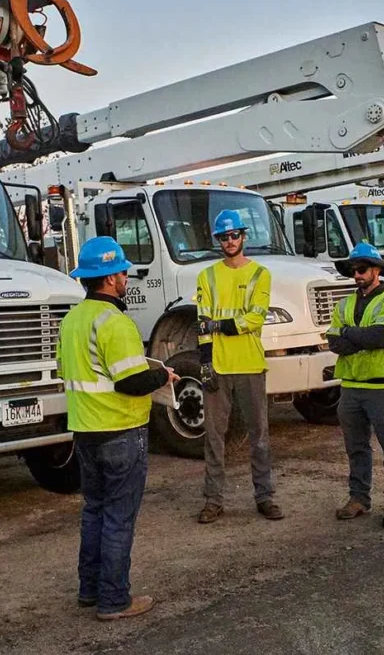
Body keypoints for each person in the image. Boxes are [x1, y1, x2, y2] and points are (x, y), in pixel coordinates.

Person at [58, 236, 178, 621]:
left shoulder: (72, 321)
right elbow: (129, 381)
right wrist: (161, 374)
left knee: (94, 510)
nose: (127, 277)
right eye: (123, 271)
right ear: (110, 278)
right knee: (118, 518)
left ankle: (89, 590)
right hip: (121, 431)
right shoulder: (117, 322)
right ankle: (114, 600)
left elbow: (70, 372)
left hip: (85, 431)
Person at [195, 209, 283, 524]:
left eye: (234, 235)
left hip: (250, 366)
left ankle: (265, 497)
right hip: (218, 366)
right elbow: (202, 324)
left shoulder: (260, 274)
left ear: (243, 236)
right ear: (218, 240)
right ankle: (213, 501)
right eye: (224, 237)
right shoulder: (206, 276)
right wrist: (205, 363)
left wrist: (220, 324)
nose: (230, 241)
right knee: (214, 437)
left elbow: (255, 318)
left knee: (259, 436)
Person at [326, 242, 384, 527]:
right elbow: (334, 342)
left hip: (381, 386)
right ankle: (359, 498)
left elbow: (382, 336)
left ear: (376, 270)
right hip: (350, 387)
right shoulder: (345, 303)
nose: (357, 275)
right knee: (356, 447)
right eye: (353, 270)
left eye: (362, 269)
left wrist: (350, 334)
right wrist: (357, 337)